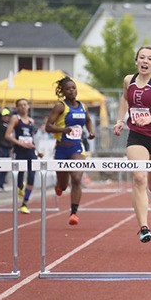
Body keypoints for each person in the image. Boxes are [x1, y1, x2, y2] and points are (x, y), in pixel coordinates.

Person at [113, 46, 151, 243]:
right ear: (136, 61)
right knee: (139, 178)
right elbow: (124, 99)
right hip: (137, 136)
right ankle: (144, 227)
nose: (145, 61)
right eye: (142, 57)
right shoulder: (128, 80)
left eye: (150, 58)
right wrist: (120, 120)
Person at [46, 76, 95, 225]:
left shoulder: (83, 106)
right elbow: (48, 126)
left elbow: (88, 120)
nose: (72, 91)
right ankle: (59, 186)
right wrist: (63, 129)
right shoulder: (60, 106)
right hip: (61, 149)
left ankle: (73, 213)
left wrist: (91, 132)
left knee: (76, 178)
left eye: (73, 88)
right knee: (64, 185)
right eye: (68, 89)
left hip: (77, 148)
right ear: (63, 92)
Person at [4, 99, 44, 214]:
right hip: (19, 151)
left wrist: (38, 151)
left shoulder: (31, 121)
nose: (23, 107)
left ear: (28, 107)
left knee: (31, 176)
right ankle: (21, 188)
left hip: (31, 151)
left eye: (25, 105)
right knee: (20, 177)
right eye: (20, 105)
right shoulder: (15, 119)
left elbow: (31, 138)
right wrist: (20, 143)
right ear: (17, 107)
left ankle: (25, 203)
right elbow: (7, 135)